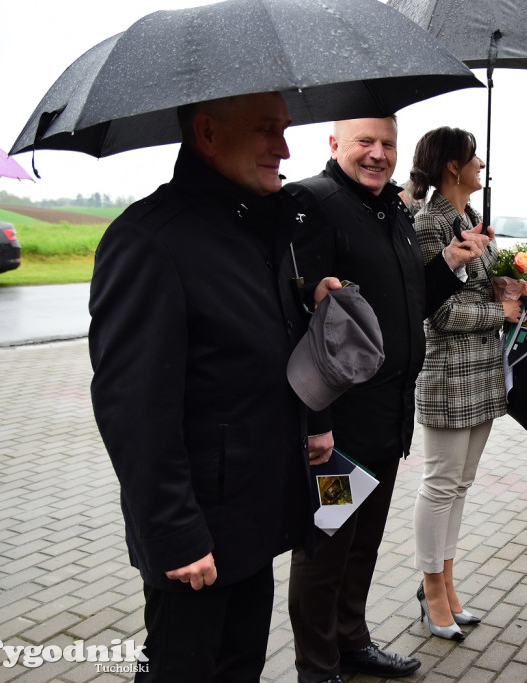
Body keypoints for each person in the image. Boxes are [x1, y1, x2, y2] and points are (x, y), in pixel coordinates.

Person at [89, 92, 319, 679]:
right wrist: (174, 534)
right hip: (198, 537)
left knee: (239, 667)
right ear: (208, 133)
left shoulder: (262, 227)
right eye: (267, 129)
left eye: (285, 128)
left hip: (254, 516)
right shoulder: (150, 240)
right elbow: (133, 409)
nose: (285, 147)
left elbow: (253, 356)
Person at [284, 116, 489, 683]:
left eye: (388, 145)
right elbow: (302, 322)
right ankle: (318, 667)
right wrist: (316, 421)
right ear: (334, 145)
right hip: (342, 422)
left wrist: (452, 262)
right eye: (364, 143)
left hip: (388, 416)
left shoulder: (394, 211)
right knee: (327, 549)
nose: (377, 155)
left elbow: (412, 302)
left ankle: (352, 643)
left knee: (363, 544)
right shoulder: (316, 203)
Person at [404, 126, 522, 641]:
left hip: (479, 373)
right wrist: (502, 309)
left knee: (461, 486)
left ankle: (447, 584)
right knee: (440, 485)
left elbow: (468, 292)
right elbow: (440, 313)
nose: (481, 165)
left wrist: (503, 285)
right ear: (453, 166)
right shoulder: (432, 222)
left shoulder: (469, 218)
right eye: (473, 157)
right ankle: (431, 591)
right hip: (449, 374)